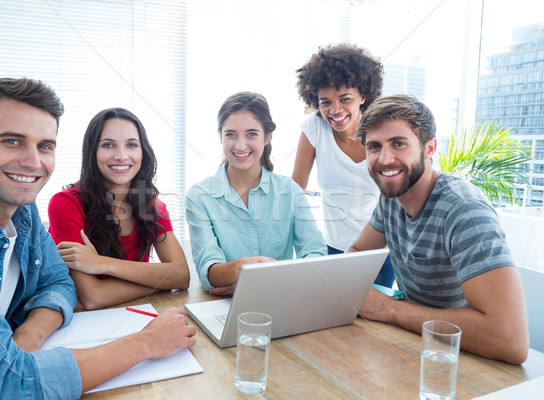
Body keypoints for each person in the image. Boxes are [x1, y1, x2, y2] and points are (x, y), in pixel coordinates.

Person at [0, 78, 196, 398]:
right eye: (12, 141)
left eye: (45, 146)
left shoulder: (22, 211)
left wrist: (26, 338)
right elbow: (2, 386)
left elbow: (58, 283)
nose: (33, 162)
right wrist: (147, 342)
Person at [349, 94, 529, 364]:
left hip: (467, 361)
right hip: (415, 345)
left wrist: (389, 309)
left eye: (398, 144)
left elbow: (509, 339)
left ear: (430, 148)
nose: (385, 159)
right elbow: (357, 253)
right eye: (374, 147)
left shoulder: (463, 210)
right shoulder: (391, 199)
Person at [48, 108, 190, 310]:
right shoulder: (65, 204)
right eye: (108, 145)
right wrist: (159, 283)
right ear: (92, 152)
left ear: (143, 152)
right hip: (81, 323)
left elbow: (181, 276)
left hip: (134, 313)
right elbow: (92, 297)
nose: (122, 156)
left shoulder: (153, 205)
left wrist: (101, 263)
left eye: (132, 145)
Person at [186, 91, 326, 295]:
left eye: (251, 134)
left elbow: (316, 255)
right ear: (221, 137)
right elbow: (208, 273)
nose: (240, 145)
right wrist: (241, 268)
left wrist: (256, 283)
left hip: (283, 299)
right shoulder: (199, 197)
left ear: (267, 137)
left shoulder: (289, 191)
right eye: (231, 134)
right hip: (223, 305)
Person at [291, 43, 395, 287]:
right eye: (325, 102)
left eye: (345, 99)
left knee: (373, 323)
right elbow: (295, 192)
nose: (335, 110)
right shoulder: (314, 128)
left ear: (363, 95)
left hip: (380, 253)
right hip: (331, 249)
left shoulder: (382, 131)